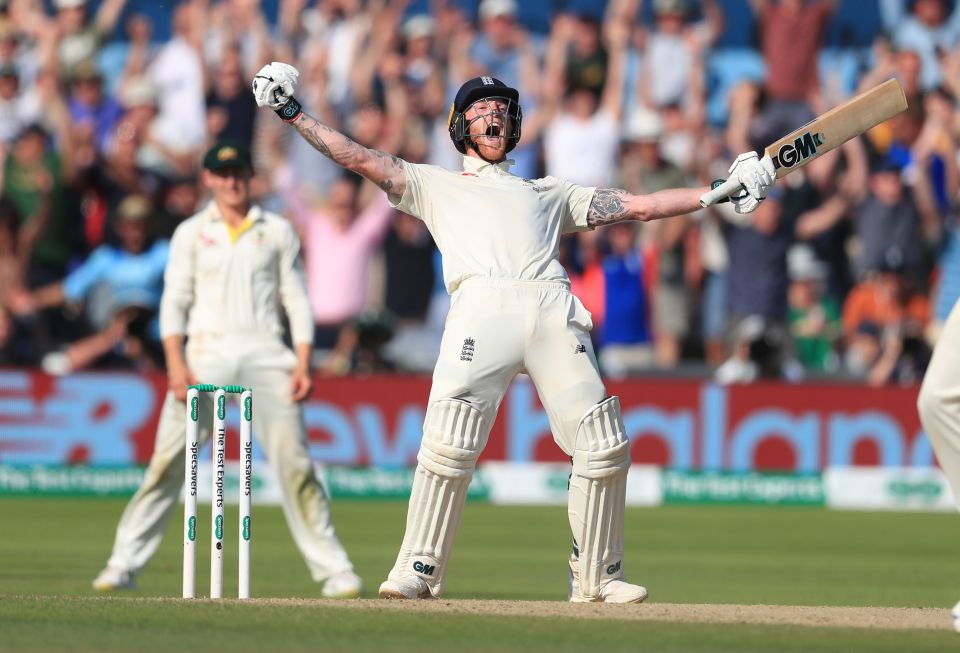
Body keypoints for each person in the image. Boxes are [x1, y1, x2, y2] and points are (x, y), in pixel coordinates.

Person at [252, 62, 774, 602]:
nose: (493, 115)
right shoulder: (435, 185)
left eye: (501, 109)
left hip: (551, 308)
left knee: (603, 445)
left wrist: (718, 191)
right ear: (460, 127)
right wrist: (292, 113)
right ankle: (418, 569)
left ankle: (598, 578)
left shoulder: (549, 192)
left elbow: (639, 207)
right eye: (480, 110)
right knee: (449, 444)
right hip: (480, 307)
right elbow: (358, 157)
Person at [91, 141, 362, 599]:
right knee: (167, 463)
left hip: (266, 355)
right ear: (209, 179)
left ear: (249, 177)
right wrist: (176, 364)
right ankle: (122, 564)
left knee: (296, 465)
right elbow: (173, 303)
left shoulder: (275, 229)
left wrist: (302, 361)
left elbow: (296, 299)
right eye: (224, 173)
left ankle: (335, 570)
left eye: (239, 172)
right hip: (206, 355)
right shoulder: (192, 233)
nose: (232, 181)